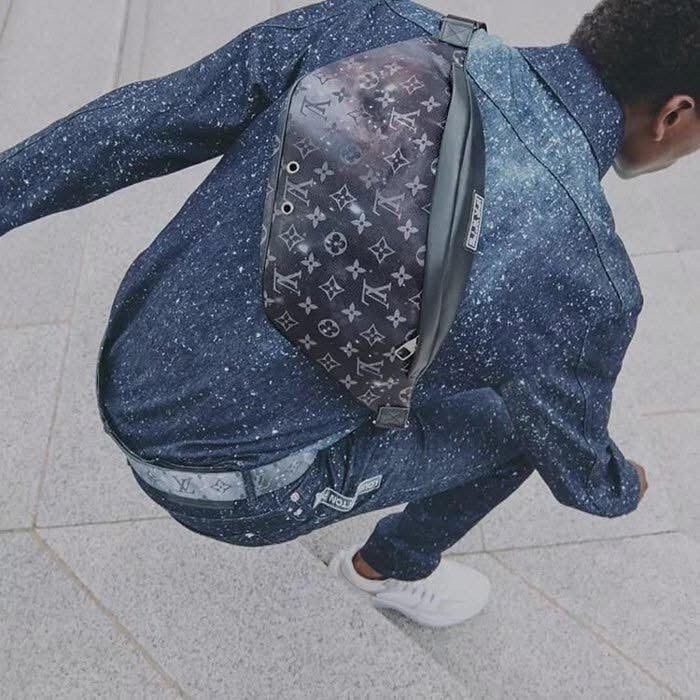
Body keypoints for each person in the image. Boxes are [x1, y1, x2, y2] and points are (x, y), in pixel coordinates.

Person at [1, 0, 695, 628]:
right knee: (523, 424)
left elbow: (135, 124)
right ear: (675, 115)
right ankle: (390, 568)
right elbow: (575, 462)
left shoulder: (374, 24)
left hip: (128, 360)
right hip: (226, 490)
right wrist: (619, 487)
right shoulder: (589, 280)